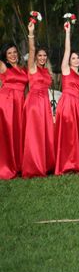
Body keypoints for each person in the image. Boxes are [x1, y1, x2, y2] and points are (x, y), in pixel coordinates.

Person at [22, 21, 55, 178]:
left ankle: (46, 164)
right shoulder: (32, 67)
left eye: (44, 56)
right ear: (35, 57)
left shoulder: (47, 71)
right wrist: (31, 34)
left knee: (45, 133)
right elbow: (31, 48)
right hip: (34, 103)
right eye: (39, 56)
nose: (42, 57)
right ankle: (34, 165)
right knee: (35, 133)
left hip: (45, 104)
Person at [54, 22, 79, 175]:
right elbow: (67, 50)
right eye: (73, 58)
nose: (76, 60)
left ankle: (75, 163)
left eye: (78, 58)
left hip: (77, 105)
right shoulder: (66, 70)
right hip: (67, 103)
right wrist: (67, 33)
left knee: (76, 134)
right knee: (67, 134)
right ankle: (65, 165)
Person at [0, 41, 28, 179]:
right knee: (8, 133)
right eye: (9, 53)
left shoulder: (24, 69)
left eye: (14, 52)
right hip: (6, 103)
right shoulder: (4, 67)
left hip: (20, 102)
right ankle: (7, 166)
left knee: (19, 132)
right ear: (5, 56)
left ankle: (18, 164)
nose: (12, 55)